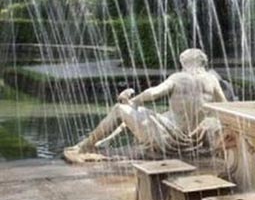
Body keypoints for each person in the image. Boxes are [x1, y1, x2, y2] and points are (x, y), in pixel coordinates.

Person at [65, 48, 228, 161]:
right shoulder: (212, 79)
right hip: (192, 142)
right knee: (150, 113)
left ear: (185, 63)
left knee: (119, 109)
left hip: (168, 141)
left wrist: (134, 100)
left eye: (182, 62)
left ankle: (85, 147)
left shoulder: (178, 77)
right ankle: (104, 141)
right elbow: (227, 107)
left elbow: (154, 93)